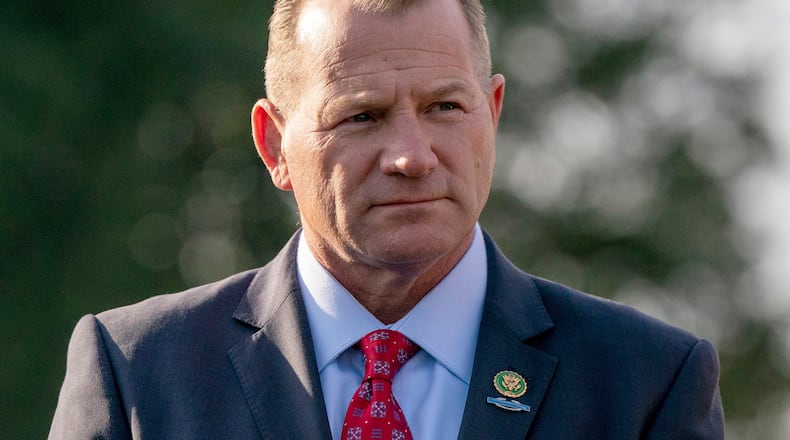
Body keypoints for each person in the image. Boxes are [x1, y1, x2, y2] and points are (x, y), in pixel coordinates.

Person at [49, 0, 724, 438]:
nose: (411, 156)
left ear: (492, 113)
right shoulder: (138, 375)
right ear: (273, 145)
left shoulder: (645, 383)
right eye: (361, 116)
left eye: (445, 109)